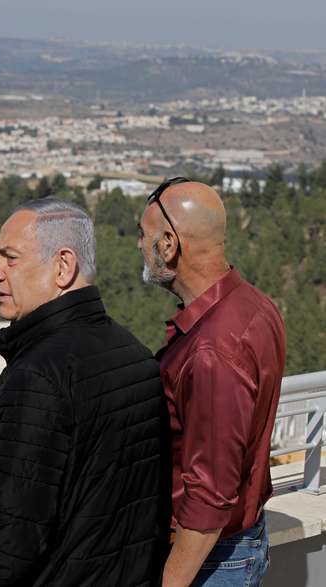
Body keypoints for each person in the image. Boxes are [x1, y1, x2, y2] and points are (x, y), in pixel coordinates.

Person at [0, 198, 167, 586]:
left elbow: (4, 547)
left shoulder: (39, 378)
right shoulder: (135, 355)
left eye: (9, 258)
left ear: (63, 265)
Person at [138, 178, 286, 586]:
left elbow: (209, 495)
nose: (138, 245)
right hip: (239, 542)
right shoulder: (252, 304)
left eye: (142, 234)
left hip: (212, 559)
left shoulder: (212, 351)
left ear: (169, 244)